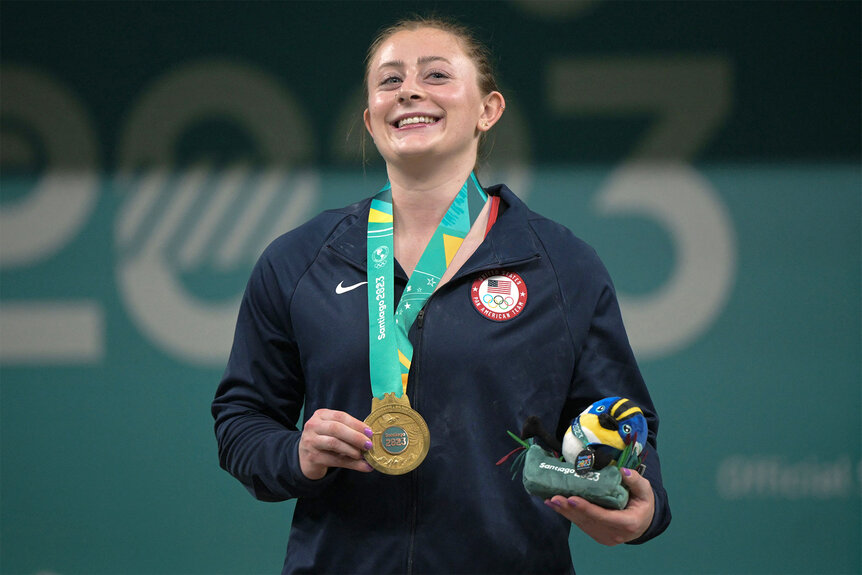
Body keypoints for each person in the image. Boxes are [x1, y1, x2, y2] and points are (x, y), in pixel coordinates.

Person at [212, 16, 670, 574]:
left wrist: (644, 509)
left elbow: (624, 418)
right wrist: (296, 455)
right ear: (370, 119)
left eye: (436, 75)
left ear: (488, 110)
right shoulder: (298, 261)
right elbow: (242, 419)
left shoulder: (562, 266)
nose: (409, 90)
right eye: (389, 81)